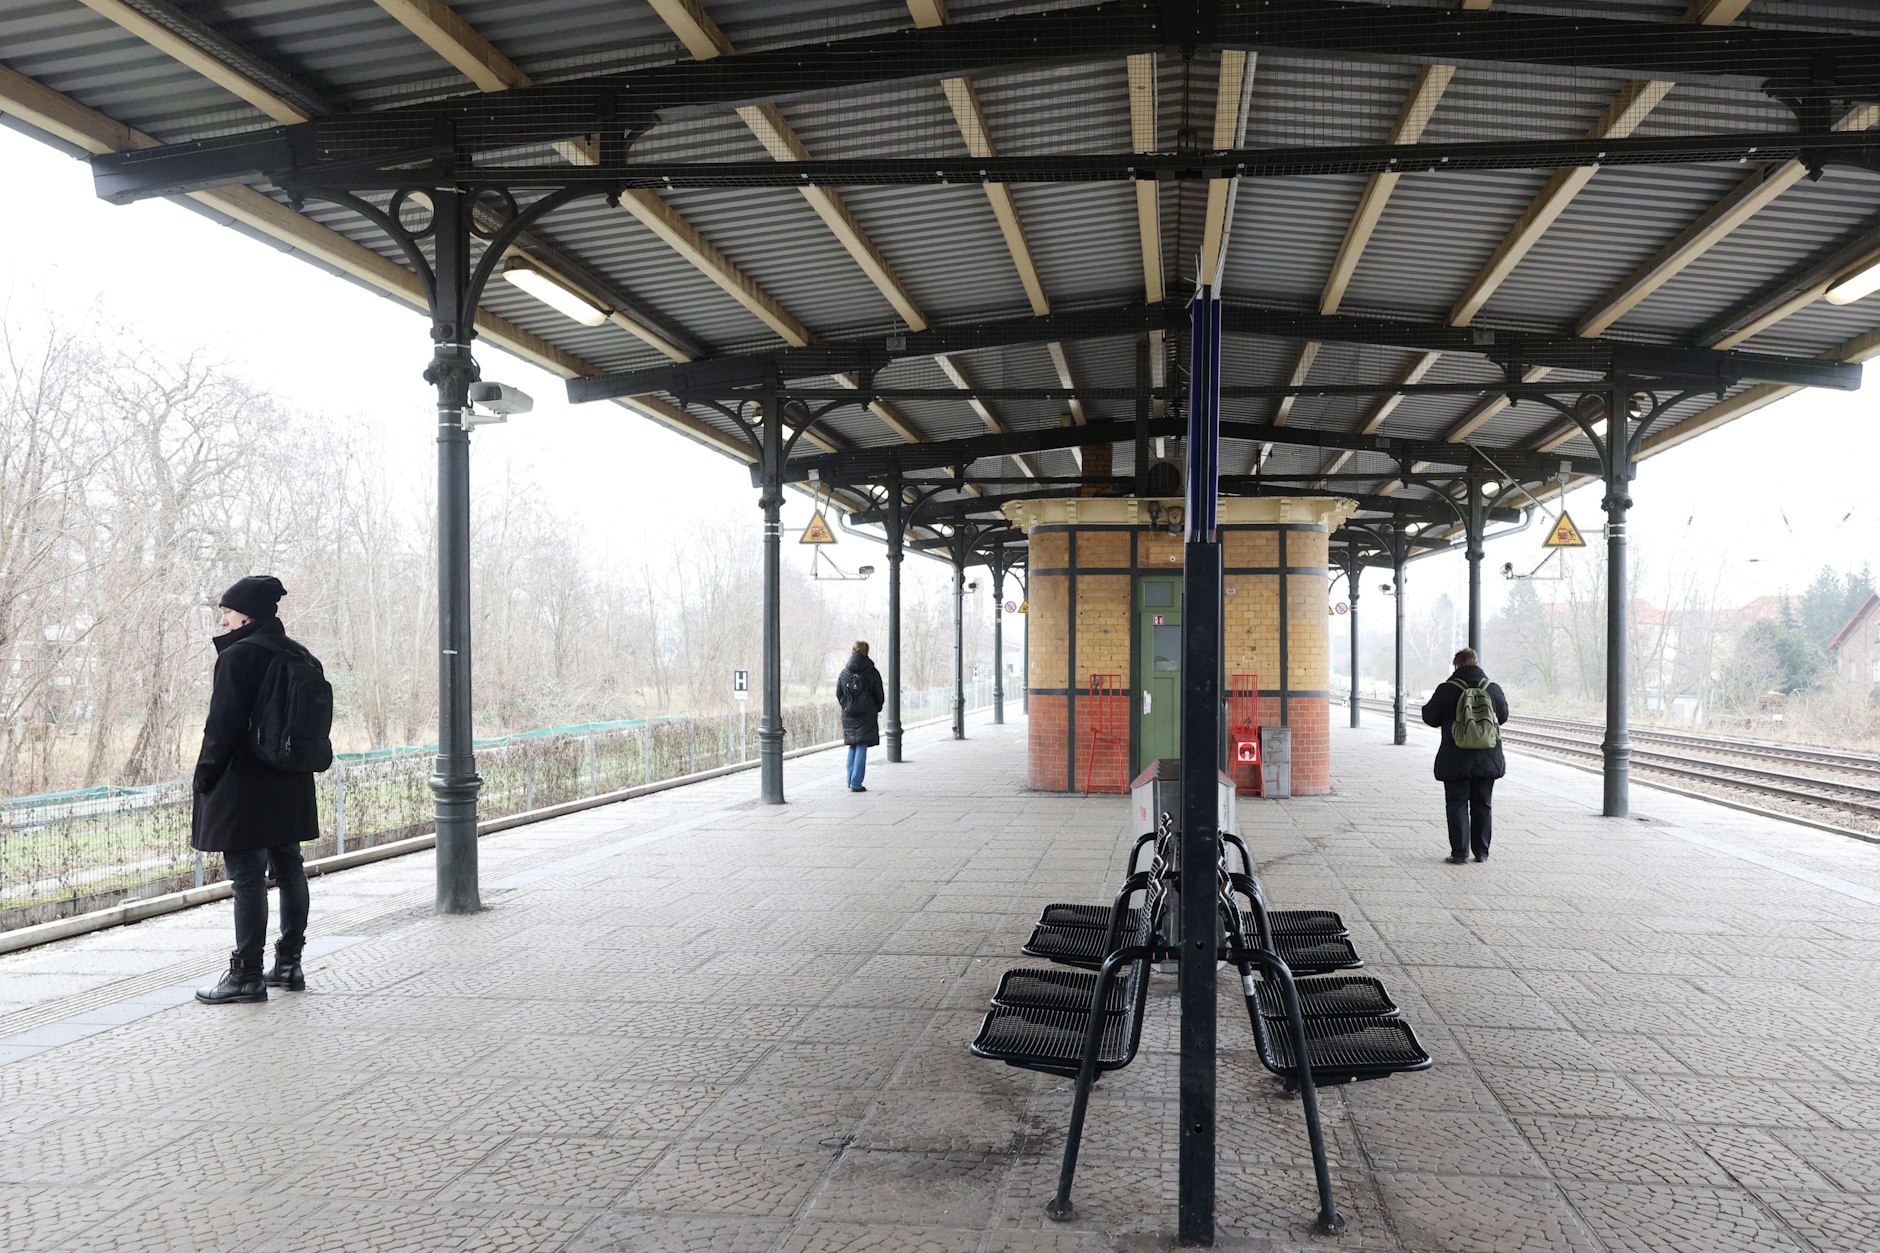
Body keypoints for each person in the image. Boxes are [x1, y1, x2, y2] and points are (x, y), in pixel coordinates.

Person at [192, 576, 321, 1004]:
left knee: (247, 879)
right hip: (290, 781)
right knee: (289, 869)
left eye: (227, 611)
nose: (223, 619)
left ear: (245, 614)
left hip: (245, 785)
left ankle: (246, 975)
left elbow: (222, 728)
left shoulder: (238, 657)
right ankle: (289, 963)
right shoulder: (299, 654)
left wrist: (204, 777)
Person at [1420, 646, 1509, 865]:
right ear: (1476, 662)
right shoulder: (1492, 688)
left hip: (1455, 756)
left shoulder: (1447, 689)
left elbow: (1429, 717)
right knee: (1483, 804)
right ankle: (1481, 852)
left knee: (1457, 803)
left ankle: (1459, 853)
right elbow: (1504, 716)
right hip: (1487, 756)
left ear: (1457, 665)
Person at [836, 640, 885, 793]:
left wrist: (846, 705)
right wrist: (875, 707)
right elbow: (879, 694)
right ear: (866, 651)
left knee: (853, 744)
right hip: (867, 713)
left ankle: (850, 780)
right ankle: (856, 783)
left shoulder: (844, 672)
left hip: (849, 713)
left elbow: (839, 693)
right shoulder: (872, 671)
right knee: (862, 745)